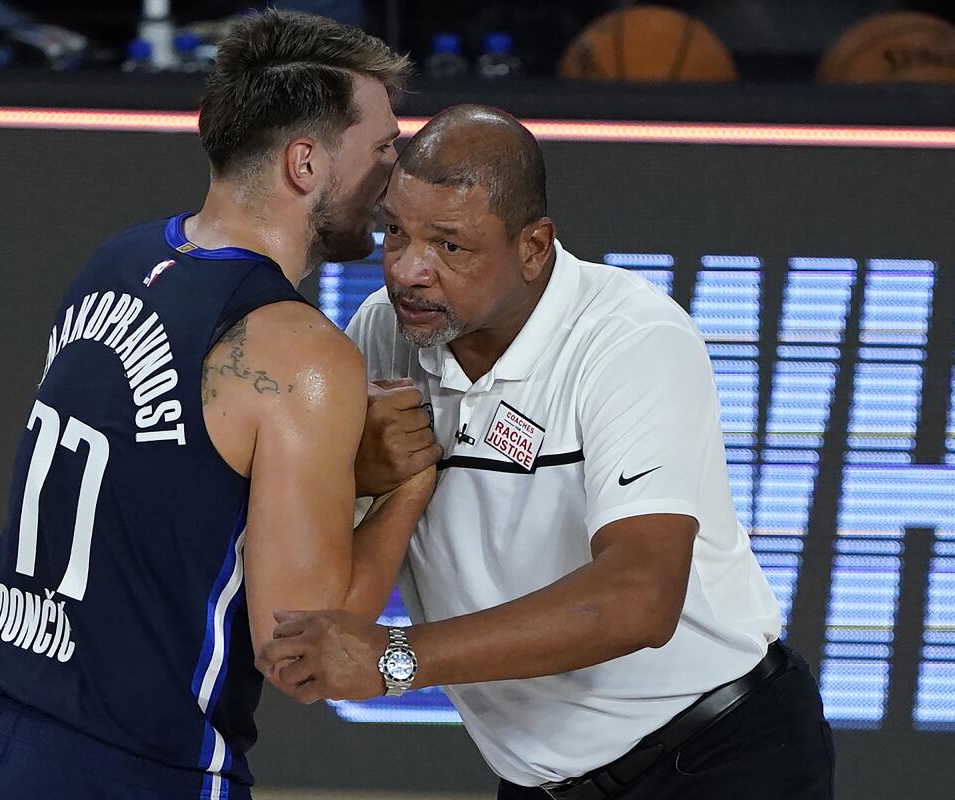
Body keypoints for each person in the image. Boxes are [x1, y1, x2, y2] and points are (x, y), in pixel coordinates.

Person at [257, 104, 836, 800]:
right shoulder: (381, 335)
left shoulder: (630, 339)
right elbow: (333, 583)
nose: (409, 269)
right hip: (539, 781)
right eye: (395, 234)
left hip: (718, 757)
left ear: (534, 247)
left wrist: (397, 656)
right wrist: (379, 482)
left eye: (450, 245)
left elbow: (639, 598)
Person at [0, 11, 439, 800]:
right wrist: (404, 487)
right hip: (133, 767)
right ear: (305, 163)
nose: (396, 176)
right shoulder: (297, 351)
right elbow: (304, 653)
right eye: (381, 149)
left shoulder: (117, 259)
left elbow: (170, 491)